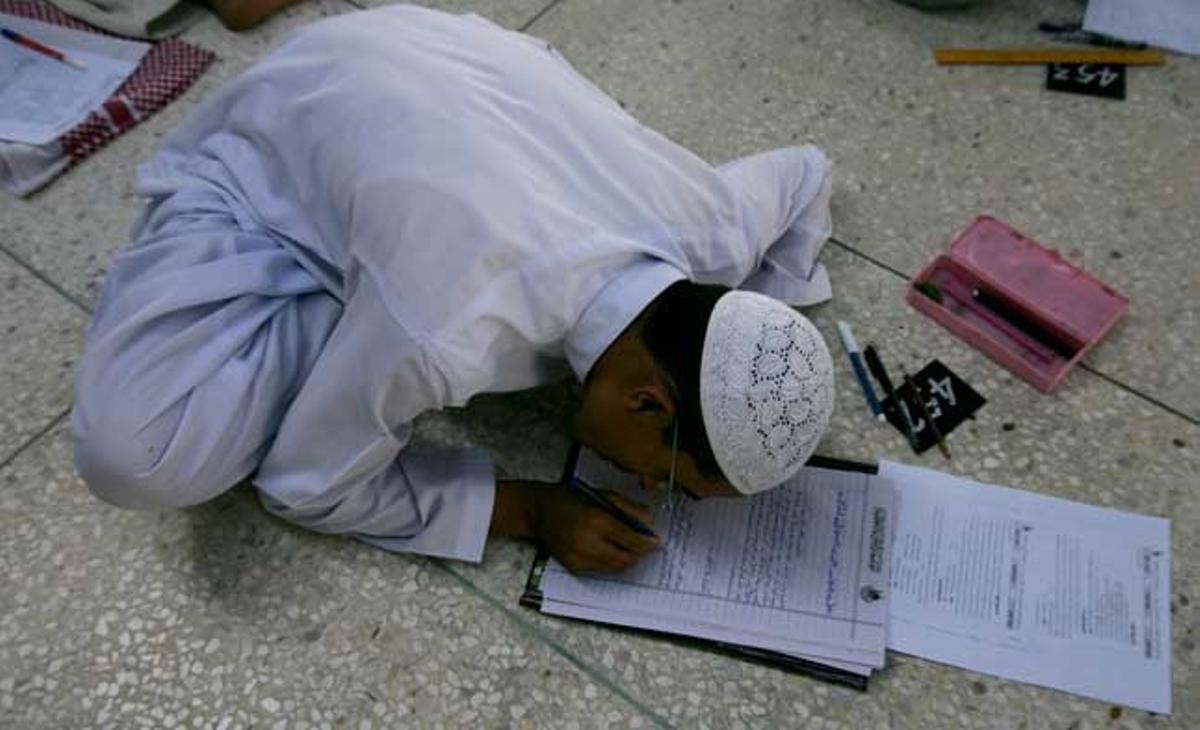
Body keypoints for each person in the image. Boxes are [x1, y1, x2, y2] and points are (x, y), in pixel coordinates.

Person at [72, 5, 837, 574]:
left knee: (391, 292)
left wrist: (764, 313)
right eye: (659, 476)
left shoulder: (718, 229)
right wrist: (528, 510)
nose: (641, 485)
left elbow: (809, 172)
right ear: (647, 403)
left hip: (421, 61)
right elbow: (306, 484)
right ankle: (327, 269)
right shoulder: (450, 328)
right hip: (277, 139)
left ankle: (366, 261)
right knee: (135, 457)